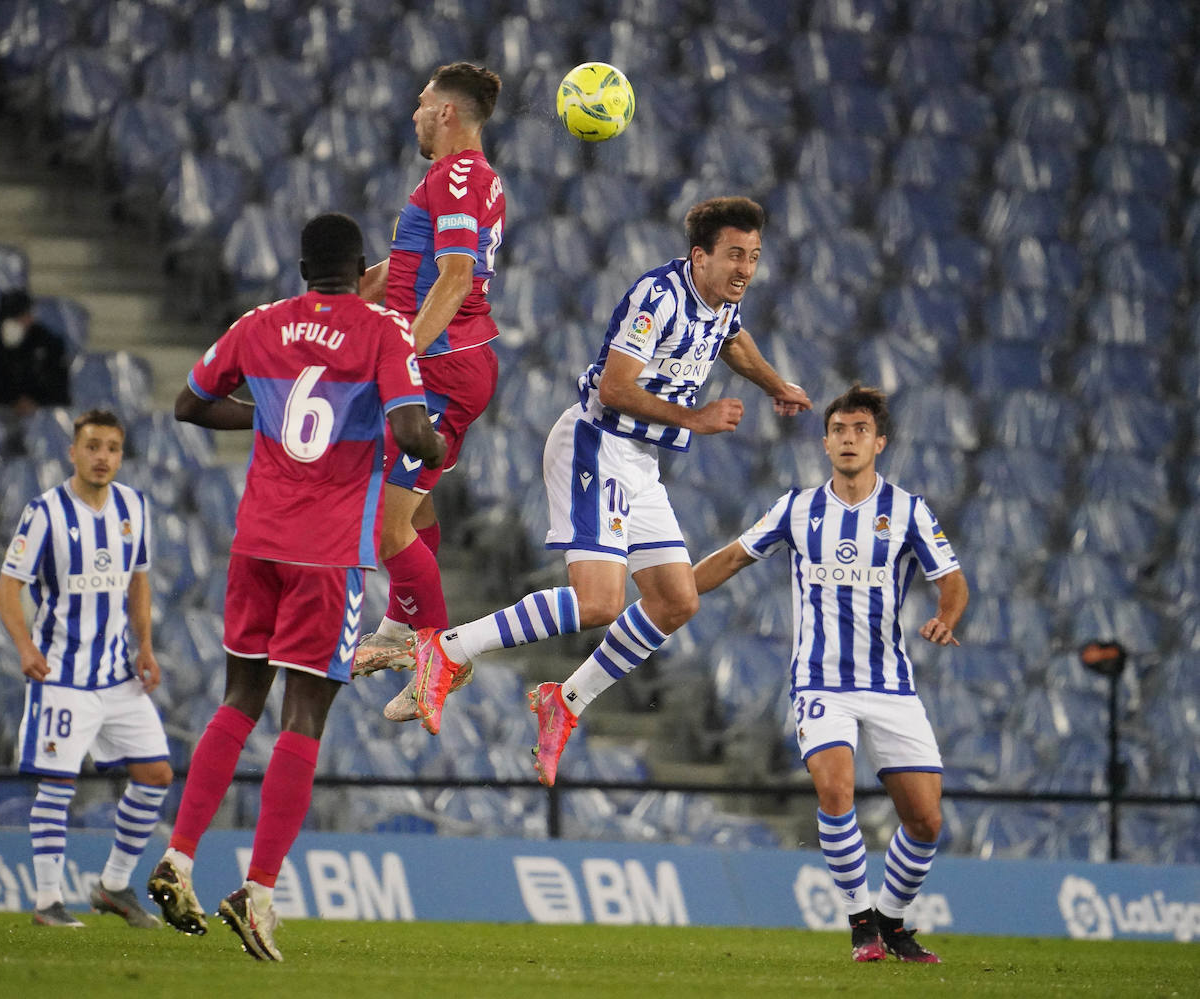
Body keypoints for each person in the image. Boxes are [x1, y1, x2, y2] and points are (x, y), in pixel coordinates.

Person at [405, 196, 812, 778]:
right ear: (699, 256)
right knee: (599, 603)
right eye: (734, 256)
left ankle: (563, 702)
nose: (745, 268)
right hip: (596, 442)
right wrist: (695, 418)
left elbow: (733, 340)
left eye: (753, 256)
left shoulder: (721, 302)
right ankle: (446, 650)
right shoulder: (660, 297)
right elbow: (618, 388)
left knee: (676, 601)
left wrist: (777, 384)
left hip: (640, 461)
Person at [146, 212, 445, 961]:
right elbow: (411, 433)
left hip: (257, 542)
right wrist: (439, 443)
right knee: (304, 715)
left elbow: (188, 403)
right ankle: (260, 890)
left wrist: (266, 417)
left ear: (303, 265)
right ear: (362, 265)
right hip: (326, 554)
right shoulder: (380, 330)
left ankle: (178, 856)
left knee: (238, 700)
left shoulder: (260, 322)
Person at [692, 384, 968, 964]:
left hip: (890, 684)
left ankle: (892, 922)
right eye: (839, 430)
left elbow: (952, 578)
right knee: (835, 789)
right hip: (821, 682)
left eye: (860, 430)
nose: (848, 439)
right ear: (825, 443)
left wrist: (947, 616)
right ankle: (860, 921)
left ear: (879, 442)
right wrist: (670, 592)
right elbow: (734, 556)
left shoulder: (909, 510)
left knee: (925, 819)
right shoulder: (796, 508)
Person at [348, 62, 505, 702]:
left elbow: (457, 276)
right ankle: (397, 627)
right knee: (411, 506)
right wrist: (353, 297)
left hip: (440, 367)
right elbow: (413, 265)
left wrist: (403, 356)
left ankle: (442, 656)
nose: (413, 114)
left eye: (421, 104)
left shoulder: (461, 175)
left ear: (445, 112)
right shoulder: (450, 178)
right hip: (445, 363)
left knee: (385, 526)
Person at [0, 408, 170, 929]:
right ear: (73, 451)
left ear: (121, 454)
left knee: (156, 774)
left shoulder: (135, 507)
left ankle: (113, 886)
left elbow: (139, 581)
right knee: (58, 782)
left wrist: (146, 646)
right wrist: (25, 646)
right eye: (92, 446)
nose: (102, 457)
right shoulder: (44, 512)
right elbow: (8, 587)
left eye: (112, 448)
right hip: (62, 676)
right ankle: (48, 900)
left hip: (117, 674)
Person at [0, 288, 70, 413]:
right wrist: (11, 400)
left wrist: (36, 401)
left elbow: (58, 387)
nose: (27, 321)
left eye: (27, 315)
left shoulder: (46, 345)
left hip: (38, 414)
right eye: (20, 317)